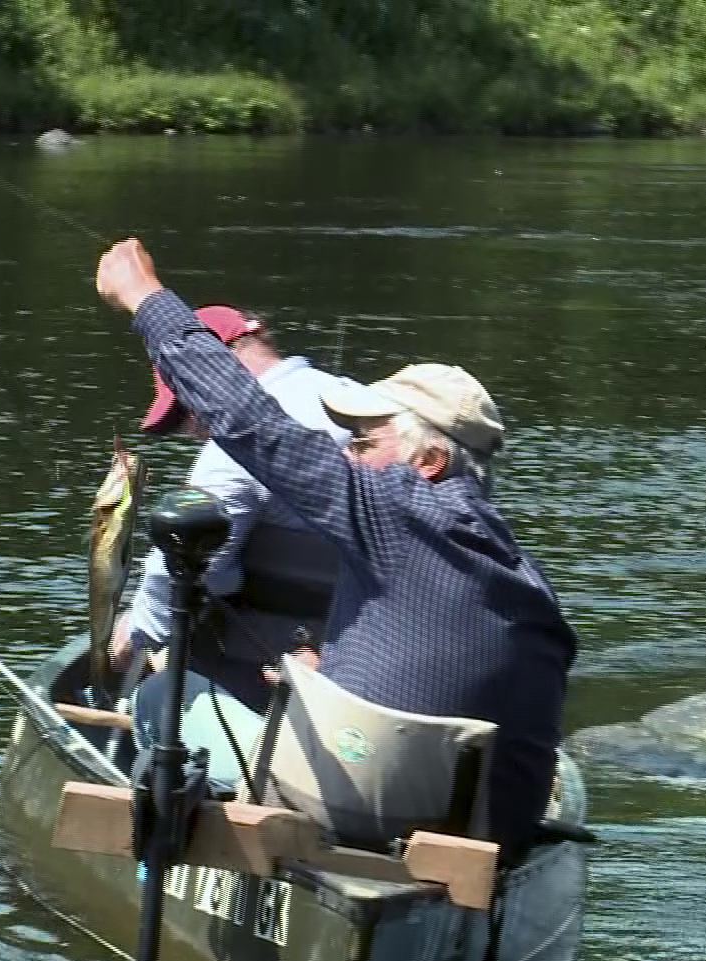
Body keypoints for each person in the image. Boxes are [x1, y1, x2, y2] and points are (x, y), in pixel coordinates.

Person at [95, 237, 578, 858]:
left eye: (361, 440)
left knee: (161, 697)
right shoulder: (528, 579)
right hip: (482, 837)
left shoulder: (387, 510)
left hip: (357, 817)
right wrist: (331, 676)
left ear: (427, 461)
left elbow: (251, 422)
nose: (346, 454)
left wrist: (147, 298)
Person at [113, 303, 354, 713]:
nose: (191, 429)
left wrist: (131, 641)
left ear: (217, 363)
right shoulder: (359, 401)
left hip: (263, 668)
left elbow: (188, 570)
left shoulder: (231, 453)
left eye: (185, 404)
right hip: (356, 658)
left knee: (151, 692)